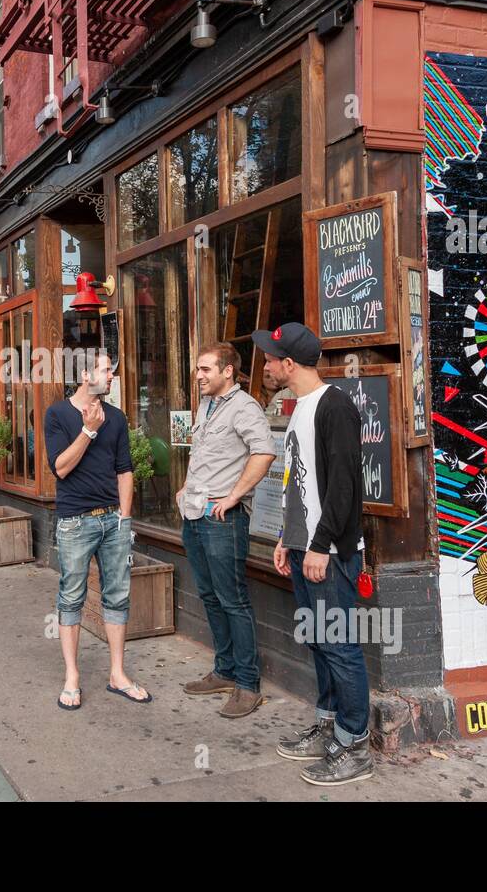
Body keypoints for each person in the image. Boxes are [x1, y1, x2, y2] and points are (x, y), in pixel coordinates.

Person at [255, 323, 372, 786]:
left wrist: (320, 545)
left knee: (341, 647)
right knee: (320, 642)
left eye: (271, 359)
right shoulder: (300, 406)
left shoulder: (334, 406)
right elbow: (298, 484)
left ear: (290, 364)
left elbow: (344, 488)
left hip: (331, 554)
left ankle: (354, 744)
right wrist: (288, 537)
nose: (265, 365)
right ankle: (329, 724)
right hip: (305, 549)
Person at [43, 351, 148, 710]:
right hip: (75, 521)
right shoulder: (57, 414)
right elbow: (60, 468)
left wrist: (126, 518)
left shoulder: (117, 417)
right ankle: (72, 676)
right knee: (71, 596)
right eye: (106, 370)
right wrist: (88, 430)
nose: (112, 376)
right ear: (86, 374)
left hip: (113, 520)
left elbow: (125, 469)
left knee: (117, 596)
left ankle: (117, 674)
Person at [177, 343, 276, 718]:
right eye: (198, 369)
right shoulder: (207, 405)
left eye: (205, 369)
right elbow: (203, 454)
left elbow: (264, 452)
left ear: (228, 371)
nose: (199, 376)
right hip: (195, 516)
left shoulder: (245, 407)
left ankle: (248, 684)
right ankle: (224, 670)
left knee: (233, 599)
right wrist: (185, 488)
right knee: (210, 594)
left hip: (223, 520)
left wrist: (235, 496)